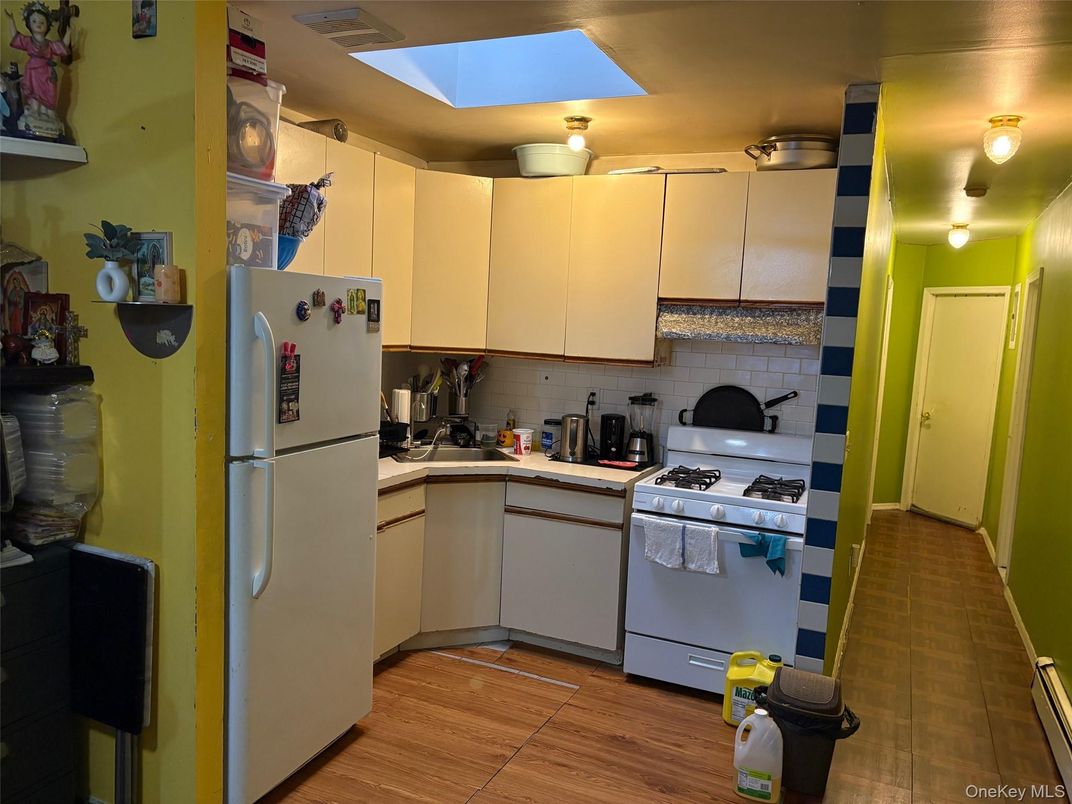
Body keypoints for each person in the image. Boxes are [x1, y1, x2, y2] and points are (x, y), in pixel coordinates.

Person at [4, 2, 69, 119]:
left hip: (47, 73)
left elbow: (62, 46)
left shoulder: (49, 44)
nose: (38, 24)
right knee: (34, 93)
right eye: (34, 21)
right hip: (33, 71)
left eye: (42, 22)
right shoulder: (28, 41)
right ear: (29, 24)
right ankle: (35, 110)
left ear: (47, 25)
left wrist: (69, 32)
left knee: (49, 92)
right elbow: (16, 37)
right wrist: (11, 21)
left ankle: (47, 113)